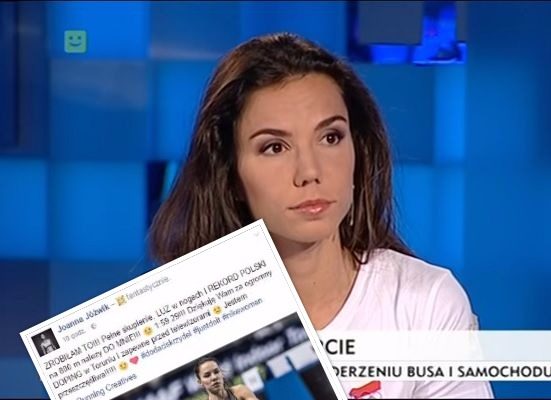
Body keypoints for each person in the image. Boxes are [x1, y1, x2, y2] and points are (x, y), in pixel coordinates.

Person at [149, 33, 493, 398]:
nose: (310, 172)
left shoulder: (425, 302)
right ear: (230, 174)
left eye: (330, 138)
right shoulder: (175, 327)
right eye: (275, 147)